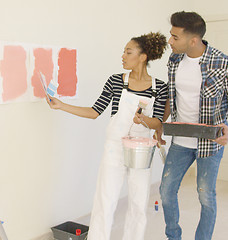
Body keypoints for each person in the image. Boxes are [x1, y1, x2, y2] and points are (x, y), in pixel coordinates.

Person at [47, 32, 168, 240]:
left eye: (128, 52)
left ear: (143, 57)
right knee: (105, 200)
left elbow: (158, 122)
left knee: (139, 204)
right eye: (123, 51)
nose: (122, 56)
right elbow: (95, 112)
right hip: (114, 148)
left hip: (140, 150)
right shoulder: (115, 81)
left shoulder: (159, 88)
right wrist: (61, 106)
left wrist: (144, 121)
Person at [158, 11, 228, 240]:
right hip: (180, 140)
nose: (170, 41)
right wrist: (159, 125)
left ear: (193, 40)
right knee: (166, 191)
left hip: (210, 142)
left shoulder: (224, 63)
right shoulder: (174, 60)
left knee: (205, 196)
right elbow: (171, 95)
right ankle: (173, 236)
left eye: (175, 37)